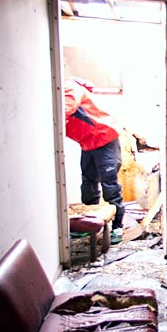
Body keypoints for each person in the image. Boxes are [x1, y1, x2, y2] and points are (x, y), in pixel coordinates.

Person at [63, 76, 124, 243]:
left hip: (104, 138)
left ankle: (118, 227)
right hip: (87, 142)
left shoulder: (69, 87)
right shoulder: (59, 93)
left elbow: (65, 108)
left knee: (109, 185)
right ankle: (89, 225)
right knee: (88, 184)